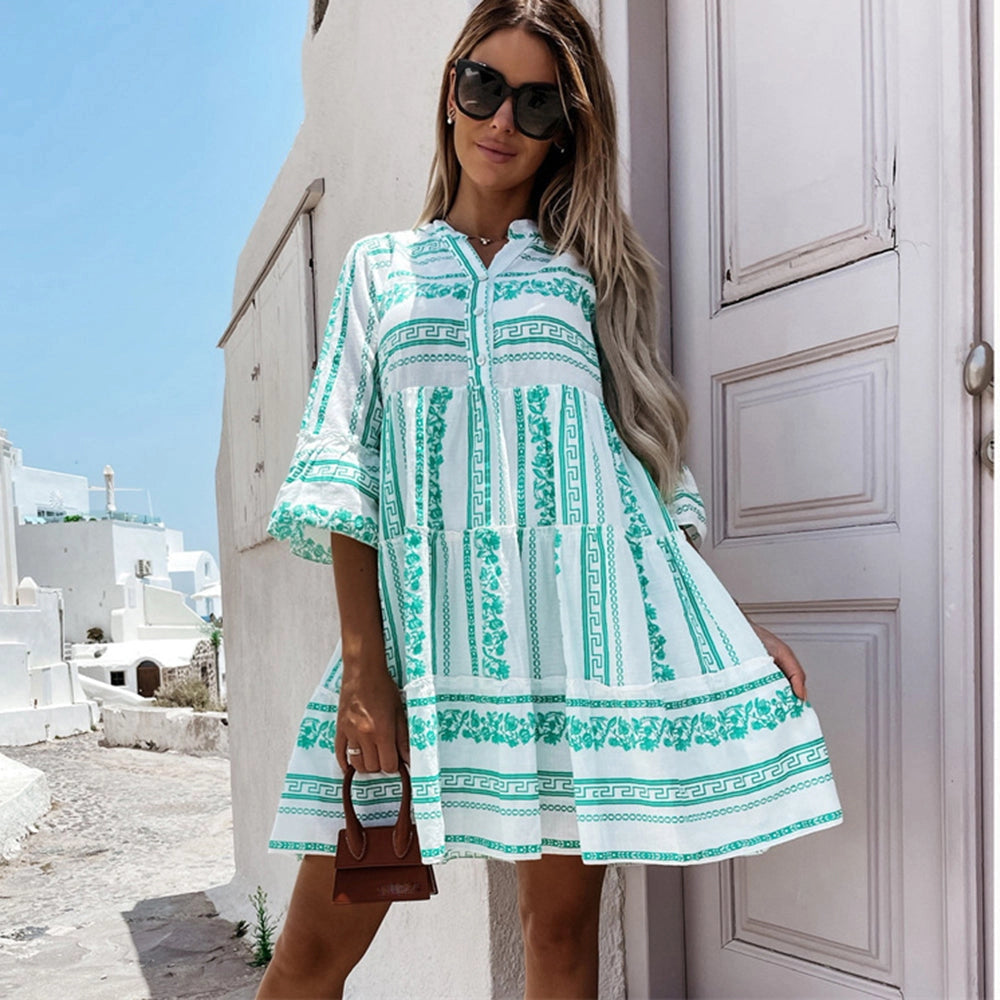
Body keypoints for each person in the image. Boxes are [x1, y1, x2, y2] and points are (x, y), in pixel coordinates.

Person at [257, 2, 843, 997]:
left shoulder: (589, 280)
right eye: (482, 86)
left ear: (565, 131)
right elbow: (346, 467)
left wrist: (730, 622)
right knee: (310, 956)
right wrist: (364, 670)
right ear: (450, 91)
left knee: (561, 940)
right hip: (415, 653)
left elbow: (640, 480)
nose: (502, 123)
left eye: (537, 105)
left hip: (572, 662)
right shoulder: (377, 273)